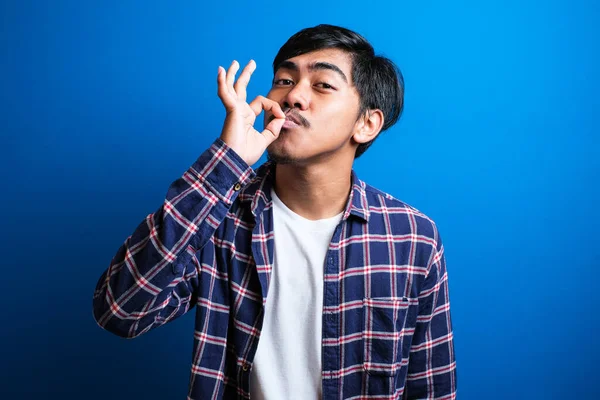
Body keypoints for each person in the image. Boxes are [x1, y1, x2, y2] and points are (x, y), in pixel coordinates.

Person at [92, 24, 457, 400]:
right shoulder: (220, 217)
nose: (293, 96)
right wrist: (226, 163)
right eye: (283, 80)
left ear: (366, 124)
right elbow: (120, 311)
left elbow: (432, 388)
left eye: (322, 85)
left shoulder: (412, 237)